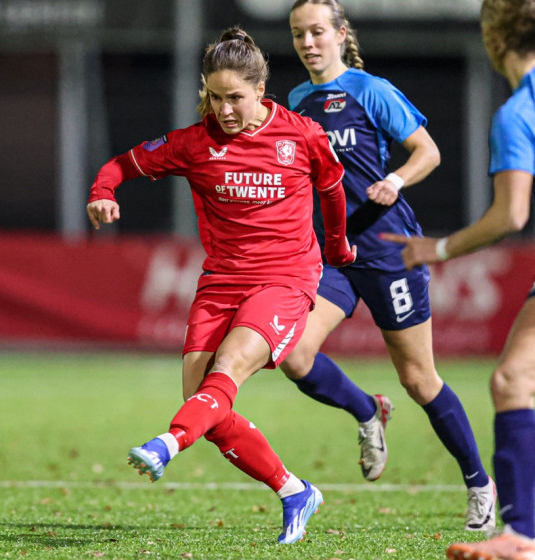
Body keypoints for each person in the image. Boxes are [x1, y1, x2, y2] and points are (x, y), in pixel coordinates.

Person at [87, 27, 356, 544]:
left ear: (261, 90)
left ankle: (166, 444)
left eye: (235, 97)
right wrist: (103, 192)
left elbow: (332, 190)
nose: (225, 109)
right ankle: (294, 490)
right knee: (206, 405)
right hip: (221, 281)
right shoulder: (193, 142)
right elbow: (121, 165)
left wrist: (338, 247)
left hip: (286, 278)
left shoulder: (301, 135)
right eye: (215, 96)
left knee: (226, 371)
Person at [278, 0, 497, 533]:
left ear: (339, 33)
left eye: (317, 32)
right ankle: (366, 411)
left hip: (387, 251)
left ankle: (478, 483)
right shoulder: (297, 101)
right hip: (335, 256)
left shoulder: (370, 89)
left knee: (419, 380)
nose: (308, 43)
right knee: (294, 353)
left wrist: (395, 180)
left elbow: (428, 151)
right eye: (298, 34)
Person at [382, 0, 535, 557]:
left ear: (494, 37)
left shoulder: (518, 113)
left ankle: (521, 537)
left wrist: (436, 249)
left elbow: (511, 216)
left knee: (513, 383)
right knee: (517, 381)